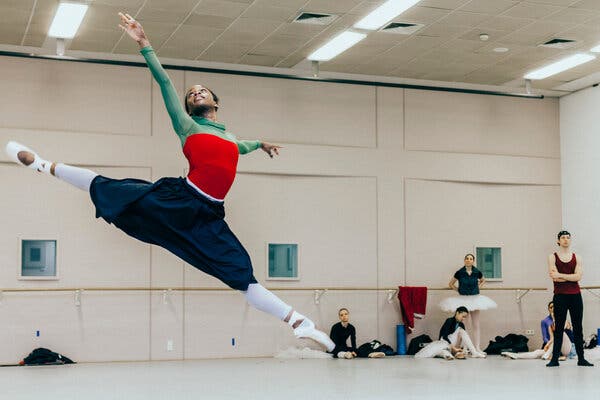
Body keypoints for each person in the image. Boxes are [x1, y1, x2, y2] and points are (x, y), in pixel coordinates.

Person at [3, 12, 335, 352]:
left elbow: (242, 146)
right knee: (111, 188)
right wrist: (145, 44)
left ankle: (299, 323)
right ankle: (43, 165)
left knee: (240, 275)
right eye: (191, 94)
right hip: (178, 199)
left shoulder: (232, 138)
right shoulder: (188, 127)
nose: (195, 94)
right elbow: (164, 83)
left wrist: (261, 144)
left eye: (202, 91)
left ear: (215, 103)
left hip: (208, 216)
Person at [546, 231, 593, 367]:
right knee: (559, 327)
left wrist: (561, 275)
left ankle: (581, 359)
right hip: (560, 296)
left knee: (578, 327)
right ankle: (554, 359)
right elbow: (554, 278)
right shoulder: (552, 257)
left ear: (570, 240)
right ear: (558, 241)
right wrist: (570, 276)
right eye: (563, 238)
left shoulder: (577, 257)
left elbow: (578, 277)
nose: (566, 240)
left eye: (568, 238)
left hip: (575, 296)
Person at [440, 253, 497, 353]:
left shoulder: (476, 272)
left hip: (475, 299)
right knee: (464, 325)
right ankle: (465, 348)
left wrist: (478, 287)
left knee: (476, 324)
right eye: (467, 258)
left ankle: (477, 347)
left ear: (473, 261)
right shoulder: (459, 272)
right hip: (463, 299)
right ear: (464, 260)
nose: (469, 260)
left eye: (471, 259)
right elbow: (451, 284)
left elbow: (483, 280)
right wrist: (458, 290)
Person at [502, 303, 571, 360]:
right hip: (555, 346)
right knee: (537, 352)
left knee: (561, 333)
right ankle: (516, 355)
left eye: (555, 307)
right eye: (551, 307)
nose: (553, 309)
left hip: (567, 349)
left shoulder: (564, 321)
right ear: (549, 309)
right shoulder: (549, 325)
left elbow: (560, 331)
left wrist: (554, 319)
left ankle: (549, 356)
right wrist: (547, 344)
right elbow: (552, 338)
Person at [415, 306, 486, 359]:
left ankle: (472, 352)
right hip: (446, 342)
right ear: (457, 313)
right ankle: (448, 354)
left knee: (462, 331)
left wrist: (464, 349)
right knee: (442, 350)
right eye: (463, 316)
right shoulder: (449, 321)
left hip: (454, 344)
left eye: (465, 317)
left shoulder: (461, 324)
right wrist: (453, 348)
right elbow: (444, 336)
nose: (463, 318)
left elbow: (464, 338)